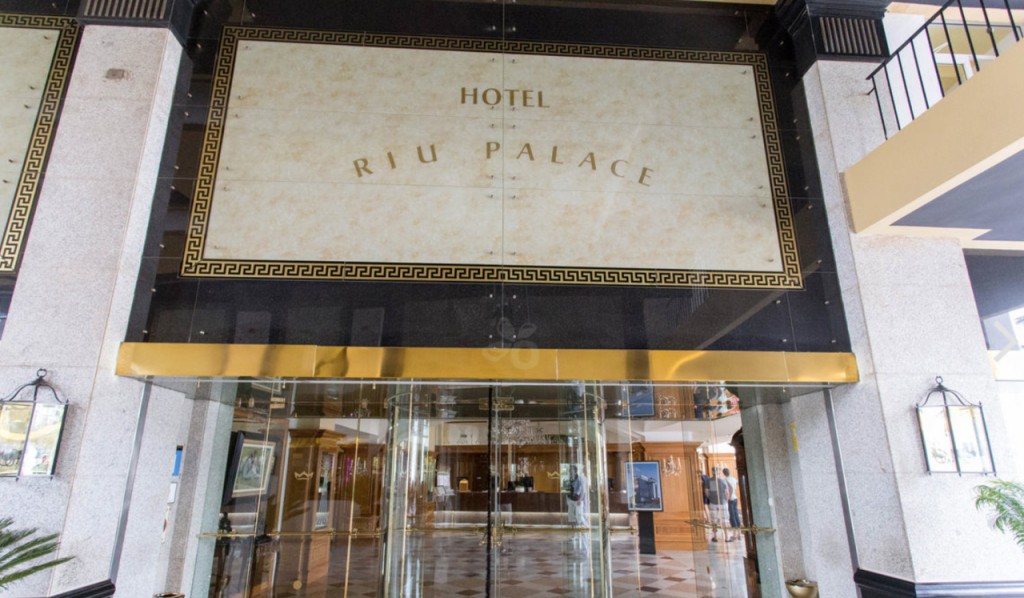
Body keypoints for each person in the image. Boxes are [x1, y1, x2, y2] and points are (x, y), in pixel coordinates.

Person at [707, 467, 729, 542]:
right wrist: (726, 500)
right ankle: (726, 537)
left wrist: (710, 497)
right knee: (724, 520)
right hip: (723, 502)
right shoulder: (722, 481)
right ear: (718, 472)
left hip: (713, 502)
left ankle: (715, 536)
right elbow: (727, 492)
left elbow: (706, 491)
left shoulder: (709, 481)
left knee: (714, 520)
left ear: (712, 471)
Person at [723, 467, 741, 541]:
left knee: (732, 516)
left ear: (724, 473)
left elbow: (727, 490)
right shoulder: (734, 479)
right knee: (736, 515)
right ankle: (739, 533)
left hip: (730, 499)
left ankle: (734, 534)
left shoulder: (724, 480)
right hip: (735, 498)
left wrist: (727, 498)